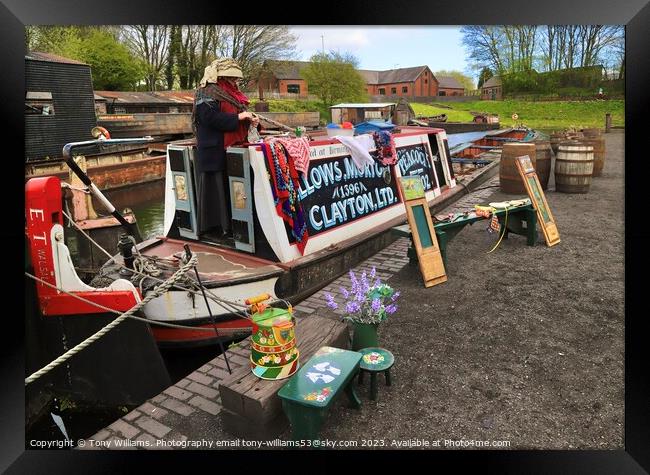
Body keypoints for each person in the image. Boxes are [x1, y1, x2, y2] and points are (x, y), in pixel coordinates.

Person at [192, 58, 259, 239]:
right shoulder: (206, 92)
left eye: (235, 78)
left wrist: (252, 121)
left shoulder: (232, 95)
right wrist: (239, 118)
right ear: (222, 77)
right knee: (217, 191)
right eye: (232, 78)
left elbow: (236, 115)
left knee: (234, 190)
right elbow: (209, 118)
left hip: (232, 149)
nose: (235, 82)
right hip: (214, 150)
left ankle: (236, 225)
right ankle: (218, 229)